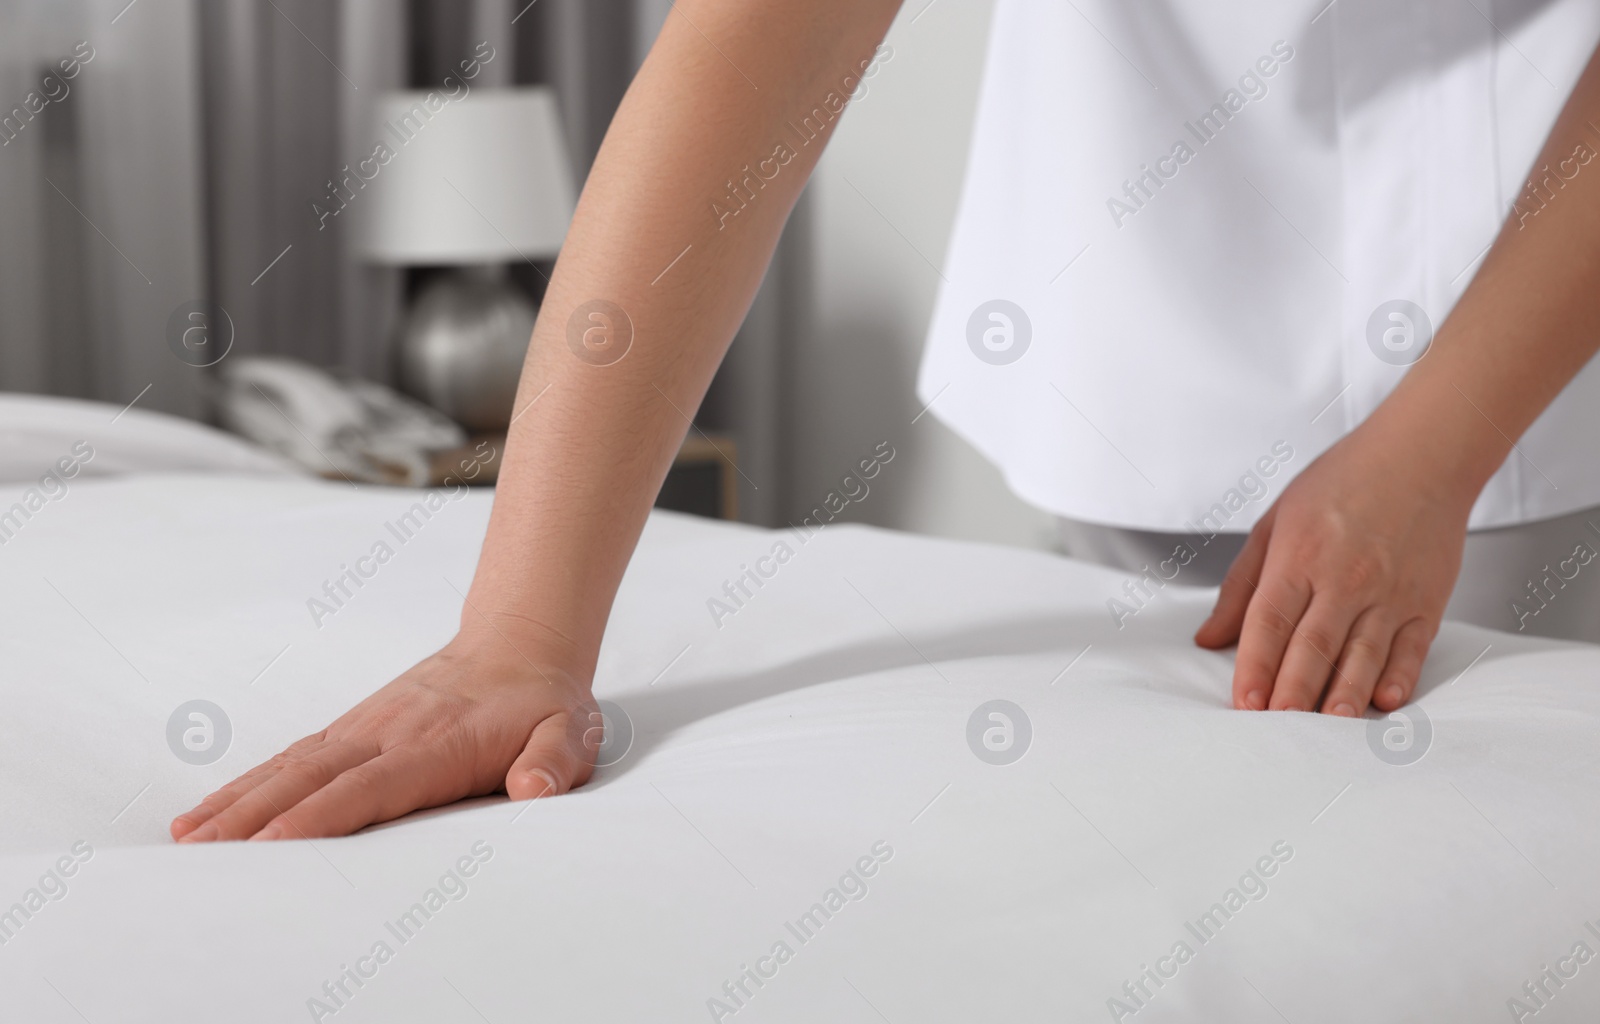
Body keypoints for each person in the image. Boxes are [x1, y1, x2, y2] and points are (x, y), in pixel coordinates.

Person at [172, 0, 1600, 842]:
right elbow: (766, 45)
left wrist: (1429, 452)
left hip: (1518, 348)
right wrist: (518, 640)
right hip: (1134, 329)